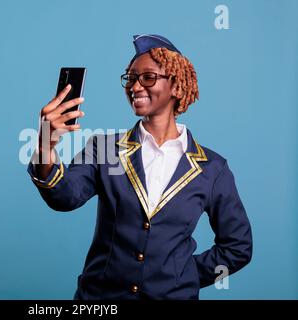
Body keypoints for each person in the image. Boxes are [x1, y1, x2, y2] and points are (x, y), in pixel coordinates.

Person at [27, 34, 252, 300]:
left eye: (147, 77)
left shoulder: (212, 168)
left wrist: (184, 274)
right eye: (130, 78)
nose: (135, 86)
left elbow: (238, 247)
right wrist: (45, 144)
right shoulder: (105, 149)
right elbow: (64, 198)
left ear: (177, 87)